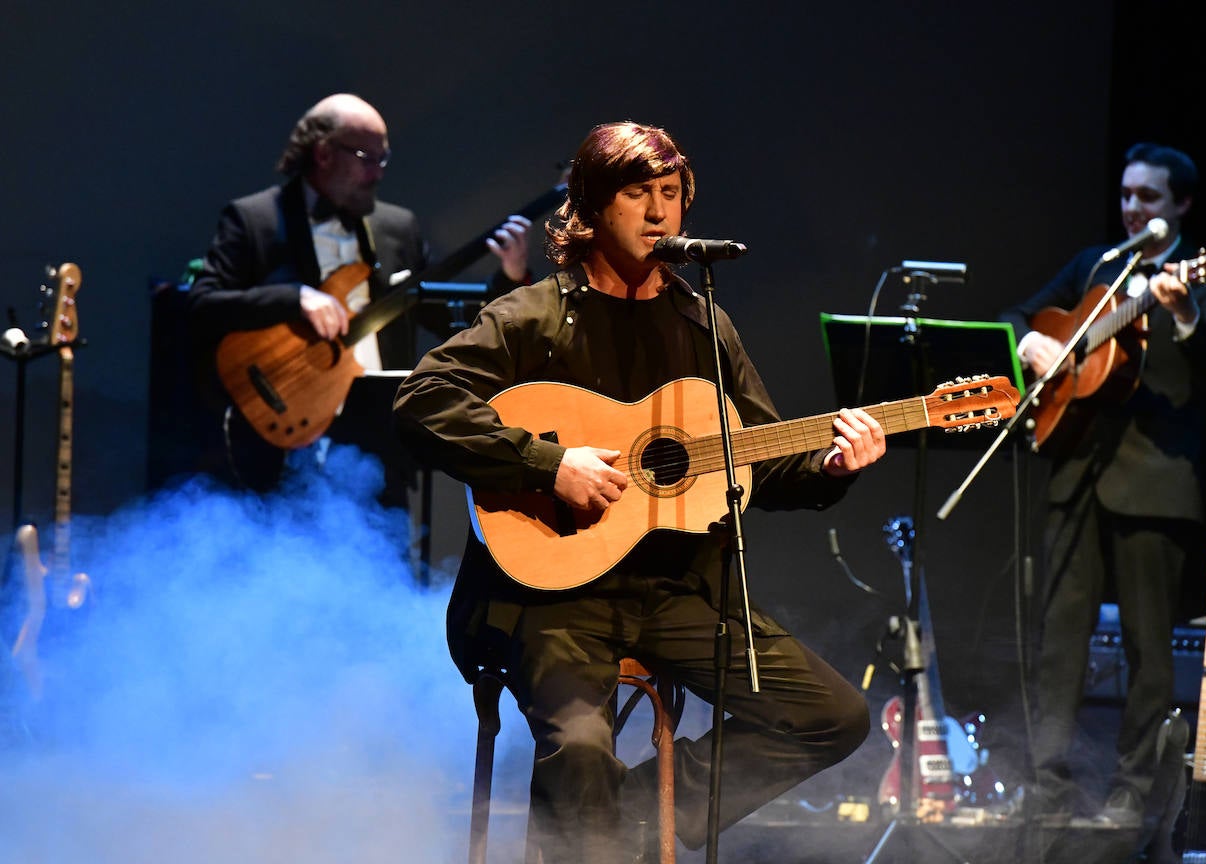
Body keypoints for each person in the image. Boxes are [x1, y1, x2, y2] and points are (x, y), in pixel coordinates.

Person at [392, 120, 888, 863]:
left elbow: (757, 459)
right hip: (549, 600)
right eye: (637, 194)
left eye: (670, 194)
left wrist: (831, 467)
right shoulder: (534, 316)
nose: (659, 213)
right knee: (582, 747)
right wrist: (545, 464)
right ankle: (591, 818)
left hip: (675, 590)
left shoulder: (702, 323)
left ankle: (626, 814)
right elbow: (422, 400)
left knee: (833, 715)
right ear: (590, 207)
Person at [998, 141, 1206, 831]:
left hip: (1156, 483)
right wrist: (1034, 345)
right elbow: (1021, 315)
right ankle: (1045, 789)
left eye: (1150, 199)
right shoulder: (1097, 266)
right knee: (1059, 643)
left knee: (1147, 648)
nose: (1134, 207)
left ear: (1182, 207)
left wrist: (1186, 315)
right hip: (1076, 472)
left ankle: (1132, 791)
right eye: (1128, 195)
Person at [185, 92, 533, 498]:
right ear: (324, 154)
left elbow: (447, 321)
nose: (378, 172)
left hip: (378, 445)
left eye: (383, 159)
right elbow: (202, 306)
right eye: (367, 158)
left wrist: (509, 278)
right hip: (287, 434)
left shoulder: (397, 227)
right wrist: (293, 297)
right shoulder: (255, 219)